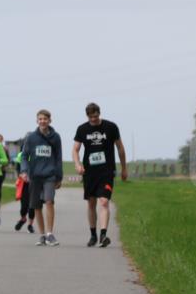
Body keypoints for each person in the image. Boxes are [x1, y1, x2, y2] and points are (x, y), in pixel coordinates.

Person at [73, 102, 128, 247]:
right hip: (90, 172)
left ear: (99, 113)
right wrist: (78, 164)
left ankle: (103, 235)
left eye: (96, 116)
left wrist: (124, 168)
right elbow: (75, 149)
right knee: (91, 203)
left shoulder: (111, 127)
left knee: (104, 201)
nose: (93, 120)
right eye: (91, 117)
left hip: (107, 171)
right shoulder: (82, 129)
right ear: (87, 116)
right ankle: (93, 235)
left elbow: (120, 148)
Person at [19, 109, 63, 247]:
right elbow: (24, 156)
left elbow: (58, 158)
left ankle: (50, 234)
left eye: (45, 119)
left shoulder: (56, 137)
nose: (43, 121)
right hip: (35, 176)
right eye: (40, 119)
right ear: (37, 121)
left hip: (50, 176)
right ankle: (42, 235)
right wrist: (24, 171)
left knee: (49, 201)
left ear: (50, 120)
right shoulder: (31, 138)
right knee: (36, 206)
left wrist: (59, 177)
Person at [13, 147, 36, 233]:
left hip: (35, 182)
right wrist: (21, 174)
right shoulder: (20, 155)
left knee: (32, 205)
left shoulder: (36, 153)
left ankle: (30, 225)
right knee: (24, 205)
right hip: (24, 183)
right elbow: (18, 168)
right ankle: (23, 219)